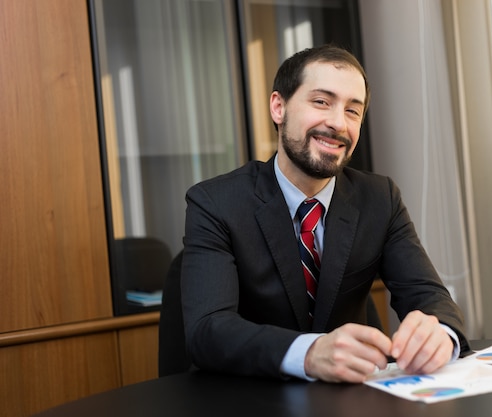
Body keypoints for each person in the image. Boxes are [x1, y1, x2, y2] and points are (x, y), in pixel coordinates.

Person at [181, 44, 470, 383]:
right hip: (251, 396)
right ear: (279, 107)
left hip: (351, 400)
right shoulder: (215, 202)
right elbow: (208, 330)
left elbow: (429, 296)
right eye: (321, 102)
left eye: (353, 110)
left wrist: (440, 334)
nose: (337, 123)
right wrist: (309, 352)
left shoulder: (380, 198)